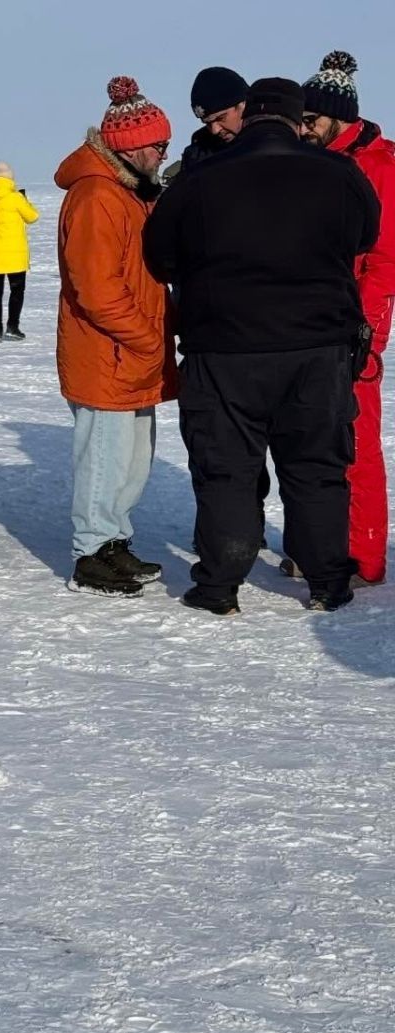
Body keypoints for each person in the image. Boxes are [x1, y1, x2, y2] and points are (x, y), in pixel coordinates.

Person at [144, 78, 381, 614]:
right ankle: (326, 581)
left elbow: (160, 257)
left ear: (247, 115)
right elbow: (365, 237)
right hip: (317, 347)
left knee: (227, 468)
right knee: (317, 464)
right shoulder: (339, 173)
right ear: (298, 120)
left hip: (223, 349)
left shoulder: (198, 180)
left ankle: (220, 585)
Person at [55, 76, 177, 599]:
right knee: (104, 459)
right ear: (127, 146)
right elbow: (96, 288)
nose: (161, 153)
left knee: (131, 461)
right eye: (155, 145)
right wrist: (148, 339)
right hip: (109, 354)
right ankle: (92, 553)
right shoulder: (97, 197)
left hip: (130, 355)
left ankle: (114, 541)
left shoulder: (131, 194)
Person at [298, 50, 395, 588]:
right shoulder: (311, 159)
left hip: (355, 332)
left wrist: (366, 333)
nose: (304, 128)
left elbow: (385, 260)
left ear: (339, 116)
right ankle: (320, 543)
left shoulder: (381, 166)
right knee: (311, 443)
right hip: (308, 328)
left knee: (356, 441)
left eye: (312, 119)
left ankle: (364, 554)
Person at [0, 162, 40, 340]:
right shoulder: (15, 198)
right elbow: (33, 217)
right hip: (14, 253)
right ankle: (13, 326)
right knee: (16, 291)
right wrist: (25, 200)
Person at [164, 66, 249, 182]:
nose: (215, 130)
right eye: (207, 123)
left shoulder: (276, 143)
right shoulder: (197, 156)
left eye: (221, 118)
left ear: (243, 105)